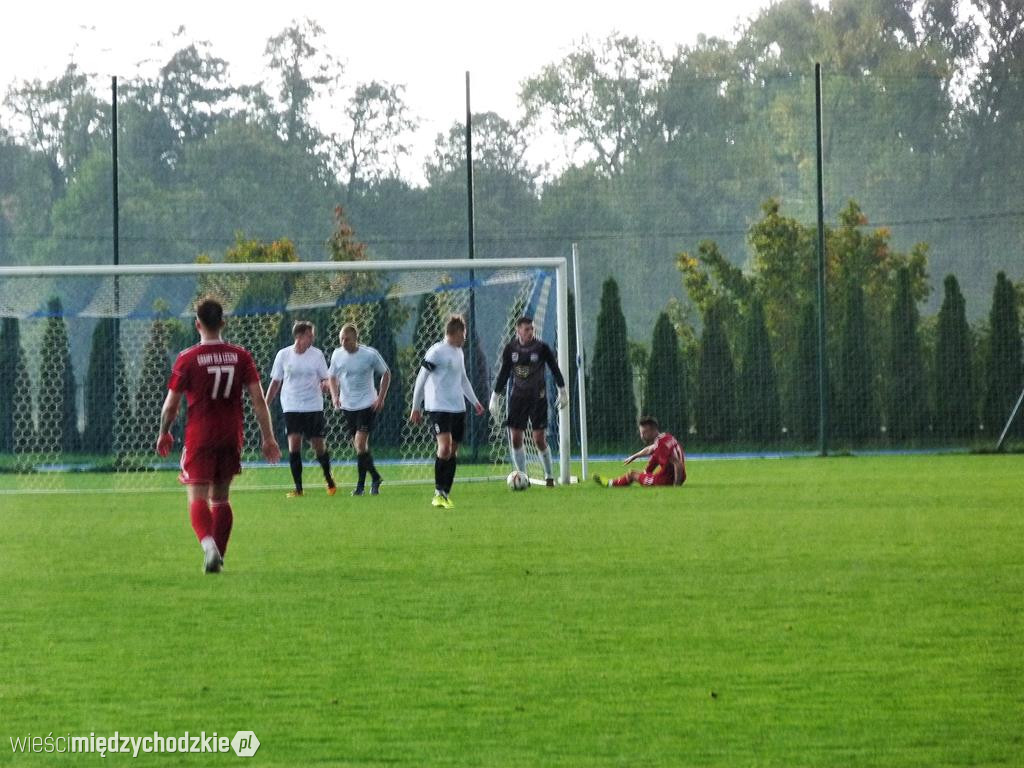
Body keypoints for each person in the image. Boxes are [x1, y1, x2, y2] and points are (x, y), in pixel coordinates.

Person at [156, 296, 281, 574]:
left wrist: (164, 432)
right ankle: (218, 557)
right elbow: (258, 401)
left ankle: (209, 547)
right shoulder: (241, 356)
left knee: (197, 497)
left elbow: (170, 406)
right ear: (223, 322)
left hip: (200, 435)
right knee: (221, 499)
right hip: (230, 435)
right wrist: (268, 437)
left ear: (197, 324)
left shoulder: (187, 359)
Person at [409, 314, 485, 508]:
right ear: (456, 332)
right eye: (464, 334)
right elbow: (421, 379)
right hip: (438, 407)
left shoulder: (458, 352)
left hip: (457, 407)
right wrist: (415, 407)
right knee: (444, 447)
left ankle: (445, 493)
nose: (465, 338)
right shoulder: (436, 352)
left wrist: (475, 402)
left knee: (452, 451)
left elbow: (463, 379)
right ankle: (437, 492)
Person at [489, 315, 568, 487]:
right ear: (518, 331)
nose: (530, 332)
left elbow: (554, 368)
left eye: (532, 328)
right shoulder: (510, 349)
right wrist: (494, 396)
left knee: (539, 438)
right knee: (516, 437)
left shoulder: (541, 348)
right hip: (517, 398)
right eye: (526, 329)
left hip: (538, 398)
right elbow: (504, 373)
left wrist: (562, 391)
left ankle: (549, 476)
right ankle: (523, 475)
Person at [265, 321, 335, 498]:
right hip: (291, 405)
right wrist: (265, 403)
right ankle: (298, 488)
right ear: (299, 336)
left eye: (312, 336)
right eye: (309, 335)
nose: (312, 338)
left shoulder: (317, 355)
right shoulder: (283, 355)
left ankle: (329, 480)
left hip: (313, 405)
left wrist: (327, 386)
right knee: (294, 445)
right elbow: (276, 382)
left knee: (318, 446)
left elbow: (325, 378)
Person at [327, 323, 391, 495]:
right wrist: (335, 396)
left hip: (367, 404)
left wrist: (381, 398)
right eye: (341, 339)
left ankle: (360, 486)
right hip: (348, 406)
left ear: (355, 338)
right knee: (360, 447)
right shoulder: (337, 355)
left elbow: (386, 373)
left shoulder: (369, 354)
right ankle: (375, 478)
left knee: (360, 443)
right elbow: (331, 377)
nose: (343, 342)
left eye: (346, 339)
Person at [594, 417, 686, 488]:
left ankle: (609, 483)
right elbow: (650, 449)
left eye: (644, 432)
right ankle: (645, 475)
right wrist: (635, 456)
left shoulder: (661, 445)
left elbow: (677, 464)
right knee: (654, 456)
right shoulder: (665, 437)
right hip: (677, 476)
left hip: (665, 480)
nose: (642, 436)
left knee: (632, 474)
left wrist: (676, 486)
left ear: (652, 430)